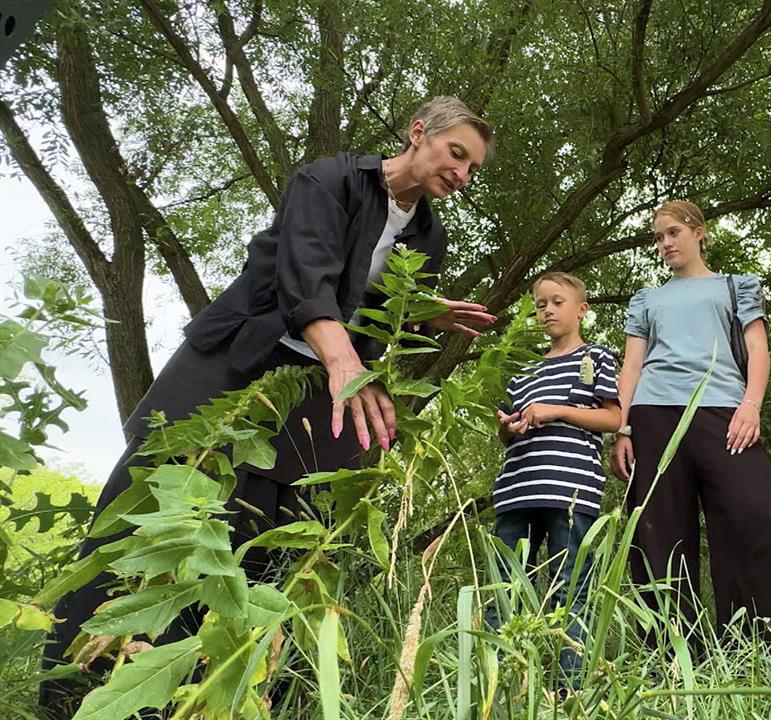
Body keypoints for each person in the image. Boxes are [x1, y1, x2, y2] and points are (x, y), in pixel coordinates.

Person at [40, 96, 498, 712]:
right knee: (158, 498)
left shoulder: (428, 237)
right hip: (237, 361)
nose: (461, 176)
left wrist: (417, 310)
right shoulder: (328, 179)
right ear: (419, 134)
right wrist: (344, 361)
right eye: (456, 155)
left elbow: (369, 312)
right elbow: (305, 276)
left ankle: (198, 692)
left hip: (313, 392)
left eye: (472, 170)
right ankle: (67, 689)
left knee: (271, 540)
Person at [611, 201, 771, 663]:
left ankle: (768, 652)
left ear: (699, 233)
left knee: (754, 518)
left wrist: (751, 404)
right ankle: (673, 659)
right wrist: (621, 427)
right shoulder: (647, 299)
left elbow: (758, 348)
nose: (666, 243)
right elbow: (633, 363)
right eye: (659, 237)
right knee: (658, 533)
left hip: (724, 408)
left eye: (674, 232)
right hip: (653, 412)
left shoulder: (736, 287)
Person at [489, 271, 620, 689]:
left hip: (571, 490)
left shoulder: (597, 357)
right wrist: (509, 427)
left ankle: (568, 691)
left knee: (569, 591)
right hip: (517, 490)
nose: (547, 310)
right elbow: (503, 431)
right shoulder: (522, 369)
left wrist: (557, 410)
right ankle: (497, 686)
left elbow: (614, 417)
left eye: (557, 301)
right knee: (505, 589)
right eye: (540, 303)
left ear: (581, 309)